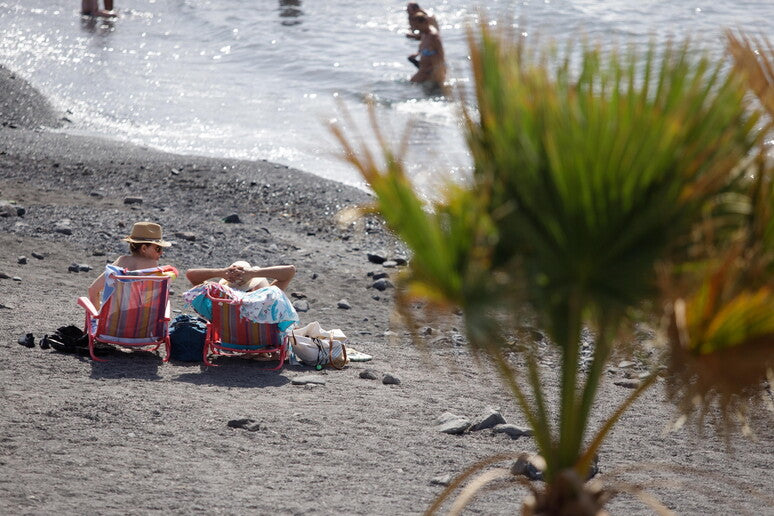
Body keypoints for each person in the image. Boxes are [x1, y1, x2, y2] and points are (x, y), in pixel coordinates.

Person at [87, 221, 172, 309]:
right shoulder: (152, 265)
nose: (161, 252)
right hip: (144, 321)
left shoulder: (120, 262)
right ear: (144, 248)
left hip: (112, 321)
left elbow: (93, 290)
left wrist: (96, 317)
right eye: (158, 248)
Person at [185, 260, 296, 293]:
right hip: (259, 341)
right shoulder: (266, 300)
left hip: (228, 340)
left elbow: (190, 274)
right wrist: (253, 273)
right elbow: (290, 270)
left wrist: (221, 272)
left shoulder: (217, 299)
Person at [408, 12, 446, 92]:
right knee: (411, 86)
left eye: (418, 26)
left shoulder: (434, 36)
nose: (416, 28)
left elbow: (441, 56)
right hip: (423, 71)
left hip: (432, 74)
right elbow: (424, 48)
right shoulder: (424, 34)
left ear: (425, 22)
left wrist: (433, 72)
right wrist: (417, 54)